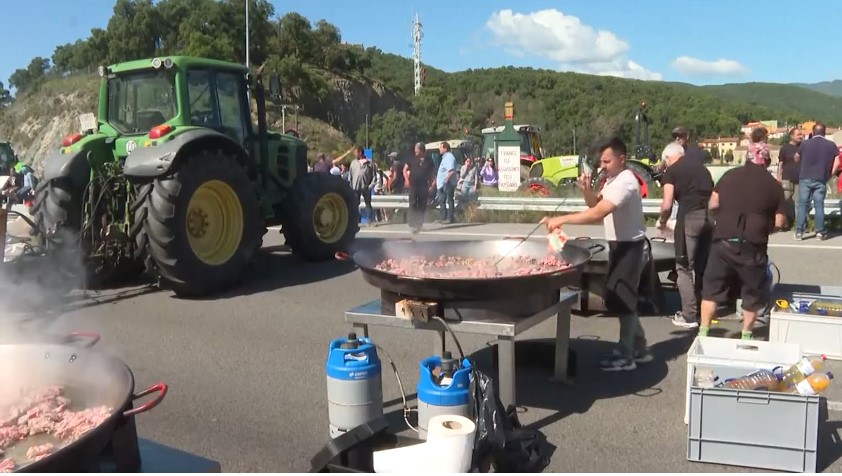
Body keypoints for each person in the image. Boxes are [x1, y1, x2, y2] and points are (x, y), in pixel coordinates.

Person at [541, 137, 652, 371]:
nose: (602, 165)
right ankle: (639, 348)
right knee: (620, 296)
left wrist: (561, 219)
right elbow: (594, 204)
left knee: (623, 298)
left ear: (621, 159)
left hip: (630, 247)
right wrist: (587, 190)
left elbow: (597, 214)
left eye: (607, 161)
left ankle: (626, 355)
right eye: (601, 161)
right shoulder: (612, 180)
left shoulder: (626, 181)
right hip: (619, 245)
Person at [697, 152, 786, 340]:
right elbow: (779, 222)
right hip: (753, 245)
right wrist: (766, 229)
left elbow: (712, 204)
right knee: (751, 293)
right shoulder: (774, 185)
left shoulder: (729, 175)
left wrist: (719, 219)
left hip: (723, 241)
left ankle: (703, 332)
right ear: (766, 162)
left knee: (711, 290)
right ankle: (746, 334)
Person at [656, 143, 713, 329]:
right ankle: (703, 308)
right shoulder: (703, 169)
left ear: (668, 158)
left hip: (689, 217)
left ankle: (688, 315)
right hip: (708, 219)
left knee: (683, 266)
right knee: (702, 265)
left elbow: (667, 204)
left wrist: (663, 222)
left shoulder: (671, 171)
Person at [795, 123, 838, 240]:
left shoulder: (805, 144)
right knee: (819, 205)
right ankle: (820, 232)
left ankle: (799, 232)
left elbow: (796, 157)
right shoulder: (830, 145)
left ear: (813, 132)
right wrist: (830, 174)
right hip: (821, 178)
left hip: (805, 177)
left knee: (803, 204)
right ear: (824, 132)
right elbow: (837, 161)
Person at [404, 142, 436, 233]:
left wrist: (433, 183)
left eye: (417, 149)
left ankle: (419, 224)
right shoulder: (411, 158)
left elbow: (432, 173)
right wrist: (406, 180)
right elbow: (404, 170)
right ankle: (412, 223)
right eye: (415, 149)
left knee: (422, 205)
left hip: (424, 185)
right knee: (413, 203)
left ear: (422, 150)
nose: (415, 150)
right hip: (413, 185)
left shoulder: (429, 160)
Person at [776, 127, 802, 229]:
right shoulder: (785, 148)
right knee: (785, 200)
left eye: (801, 134)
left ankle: (799, 225)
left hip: (800, 178)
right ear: (792, 136)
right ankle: (784, 223)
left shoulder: (802, 147)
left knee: (798, 202)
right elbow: (781, 163)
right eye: (798, 134)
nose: (801, 136)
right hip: (787, 178)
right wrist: (779, 177)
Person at [349, 147, 375, 226]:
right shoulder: (353, 162)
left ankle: (369, 221)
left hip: (366, 186)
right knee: (355, 204)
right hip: (355, 187)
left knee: (368, 204)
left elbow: (374, 175)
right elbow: (350, 175)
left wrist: (371, 185)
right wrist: (350, 184)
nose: (355, 154)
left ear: (360, 152)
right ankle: (355, 221)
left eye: (356, 152)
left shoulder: (369, 163)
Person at [436, 141, 458, 224]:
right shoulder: (445, 157)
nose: (439, 149)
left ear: (445, 148)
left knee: (449, 200)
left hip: (447, 184)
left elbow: (451, 170)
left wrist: (446, 181)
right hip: (442, 184)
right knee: (442, 201)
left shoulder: (449, 157)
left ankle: (449, 218)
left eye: (440, 147)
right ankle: (443, 217)